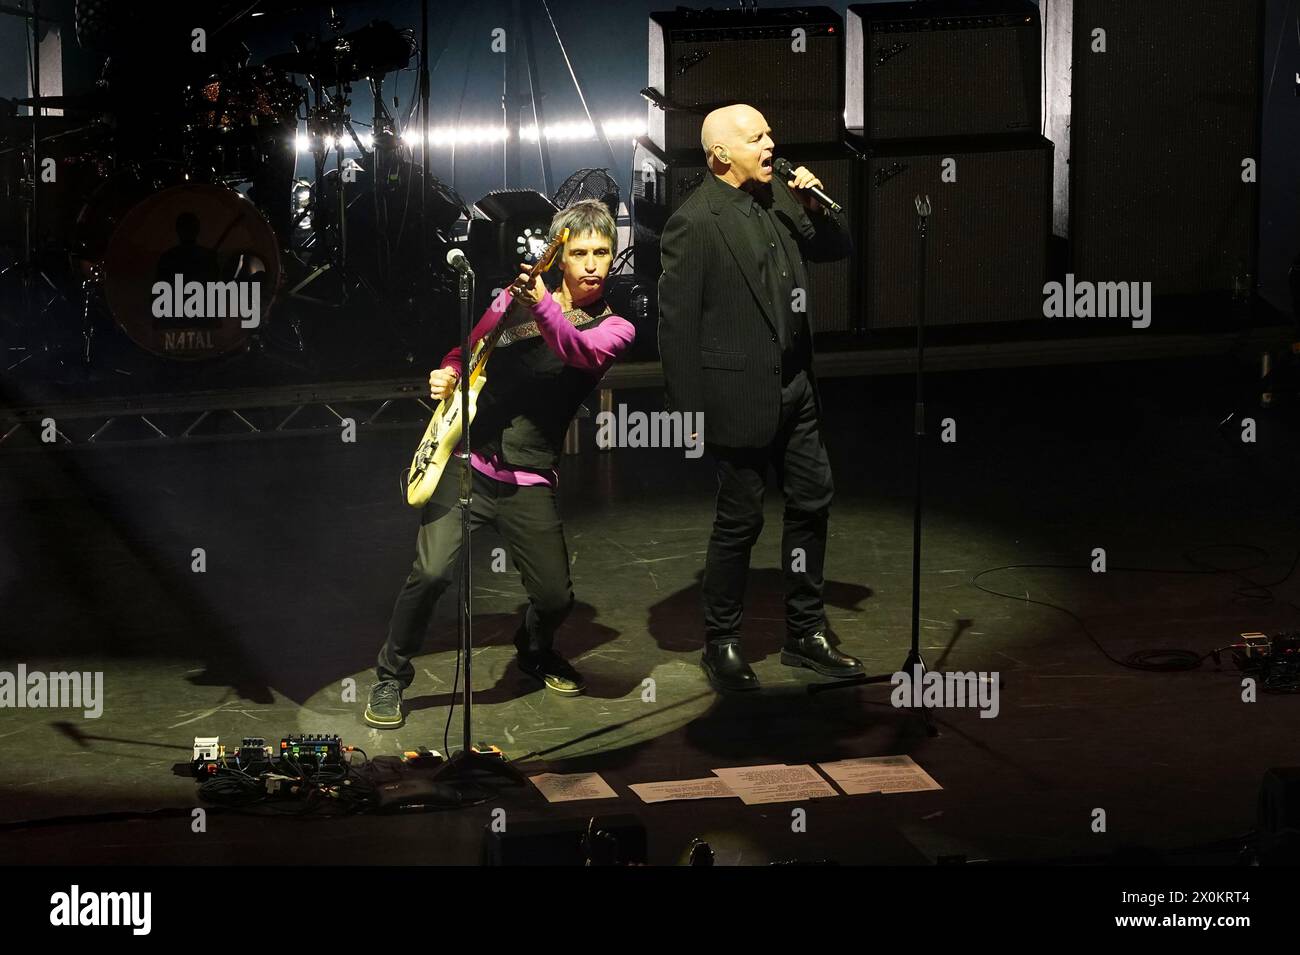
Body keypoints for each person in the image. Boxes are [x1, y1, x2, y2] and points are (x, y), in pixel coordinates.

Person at [366, 199, 635, 728]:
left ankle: (534, 650)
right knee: (431, 573)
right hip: (467, 462)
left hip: (529, 478)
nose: (590, 264)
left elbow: (575, 352)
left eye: (601, 252)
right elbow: (465, 351)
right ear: (559, 256)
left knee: (556, 598)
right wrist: (443, 376)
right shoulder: (512, 301)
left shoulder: (615, 327)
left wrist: (540, 305)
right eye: (578, 252)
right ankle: (389, 678)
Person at [657, 103, 864, 692]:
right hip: (738, 393)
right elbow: (678, 328)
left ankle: (806, 633)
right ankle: (721, 642)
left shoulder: (777, 198)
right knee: (740, 521)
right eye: (756, 138)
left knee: (812, 501)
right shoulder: (694, 222)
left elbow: (835, 248)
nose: (771, 143)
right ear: (721, 153)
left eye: (771, 132)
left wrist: (813, 203)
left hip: (796, 388)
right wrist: (690, 413)